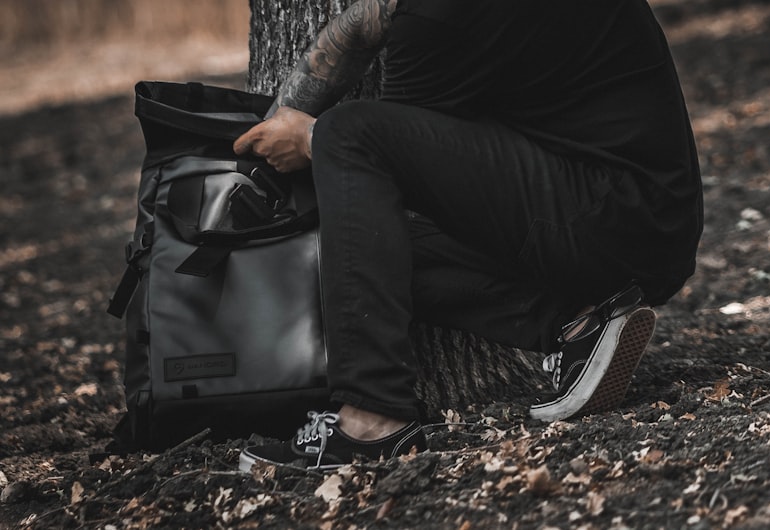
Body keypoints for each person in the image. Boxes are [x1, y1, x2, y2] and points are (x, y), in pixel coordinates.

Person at [234, 0, 702, 472]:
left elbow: (381, 158)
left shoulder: (438, 17)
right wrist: (269, 133)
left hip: (611, 219)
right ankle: (580, 324)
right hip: (641, 219)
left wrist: (311, 138)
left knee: (350, 139)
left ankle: (370, 419)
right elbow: (360, 24)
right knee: (359, 239)